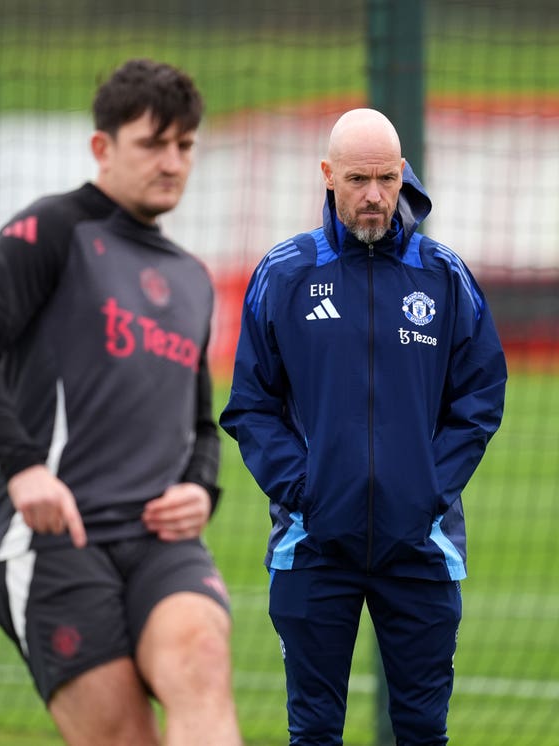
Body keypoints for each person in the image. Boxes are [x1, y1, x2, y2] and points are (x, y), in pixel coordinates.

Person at [0, 58, 242, 746]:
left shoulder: (192, 280)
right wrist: (23, 468)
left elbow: (199, 423)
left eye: (185, 145)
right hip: (55, 543)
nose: (172, 162)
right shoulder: (53, 230)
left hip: (162, 543)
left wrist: (200, 487)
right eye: (152, 143)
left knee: (201, 660)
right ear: (102, 147)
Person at [220, 108, 507, 745]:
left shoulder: (444, 275)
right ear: (328, 176)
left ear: (403, 173)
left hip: (422, 546)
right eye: (357, 179)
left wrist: (429, 488)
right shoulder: (286, 274)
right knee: (315, 733)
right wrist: (306, 490)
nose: (375, 195)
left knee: (423, 733)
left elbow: (481, 396)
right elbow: (250, 405)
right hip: (313, 545)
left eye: (385, 178)